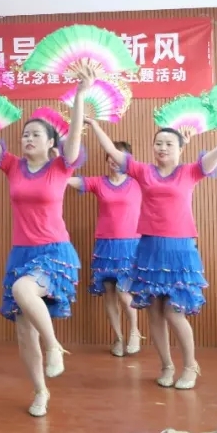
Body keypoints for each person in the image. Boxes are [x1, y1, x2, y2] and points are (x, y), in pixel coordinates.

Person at [86, 111, 217, 389]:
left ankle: (190, 366)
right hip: (149, 249)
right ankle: (167, 366)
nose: (163, 147)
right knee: (154, 312)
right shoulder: (143, 171)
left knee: (173, 312)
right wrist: (94, 125)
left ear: (181, 148)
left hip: (180, 250)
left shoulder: (190, 171)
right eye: (158, 143)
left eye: (169, 143)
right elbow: (111, 150)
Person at [0, 69, 93, 417]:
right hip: (21, 254)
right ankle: (40, 391)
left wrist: (79, 96)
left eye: (36, 134)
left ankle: (55, 347)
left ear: (50, 143)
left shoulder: (61, 166)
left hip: (54, 252)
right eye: (25, 134)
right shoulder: (12, 166)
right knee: (23, 330)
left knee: (22, 290)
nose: (28, 138)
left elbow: (75, 136)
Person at [67, 141, 142, 356]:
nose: (114, 160)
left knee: (123, 292)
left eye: (120, 156)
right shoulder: (99, 183)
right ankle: (118, 338)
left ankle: (135, 331)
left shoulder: (139, 182)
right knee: (109, 292)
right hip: (105, 245)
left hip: (131, 245)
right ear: (107, 159)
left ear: (128, 160)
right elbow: (68, 180)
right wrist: (55, 166)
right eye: (111, 156)